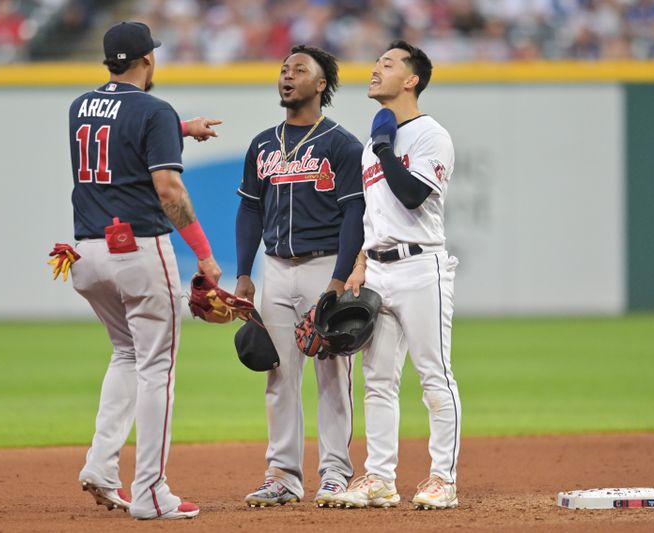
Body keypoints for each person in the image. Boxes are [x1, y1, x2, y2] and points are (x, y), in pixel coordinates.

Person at [66, 21, 222, 520]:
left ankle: (101, 465)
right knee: (158, 367)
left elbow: (119, 134)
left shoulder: (80, 107)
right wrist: (204, 254)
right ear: (147, 60)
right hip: (137, 250)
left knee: (126, 354)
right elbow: (168, 191)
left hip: (86, 254)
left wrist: (180, 128)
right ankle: (152, 490)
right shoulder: (155, 109)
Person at [235, 44, 366, 508]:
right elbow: (249, 210)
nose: (287, 76)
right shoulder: (263, 143)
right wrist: (244, 275)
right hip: (274, 269)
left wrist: (338, 279)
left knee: (332, 373)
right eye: (284, 69)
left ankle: (334, 474)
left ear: (321, 83)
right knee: (278, 374)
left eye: (299, 70)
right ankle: (283, 475)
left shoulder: (342, 143)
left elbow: (355, 213)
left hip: (322, 266)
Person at [337, 40, 462, 510]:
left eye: (387, 64)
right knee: (378, 379)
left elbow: (411, 195)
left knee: (435, 376)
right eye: (375, 62)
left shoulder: (432, 135)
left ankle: (441, 479)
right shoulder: (374, 146)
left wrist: (387, 148)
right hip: (379, 270)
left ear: (411, 79)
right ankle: (379, 478)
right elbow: (375, 213)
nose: (375, 69)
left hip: (421, 266)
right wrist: (359, 262)